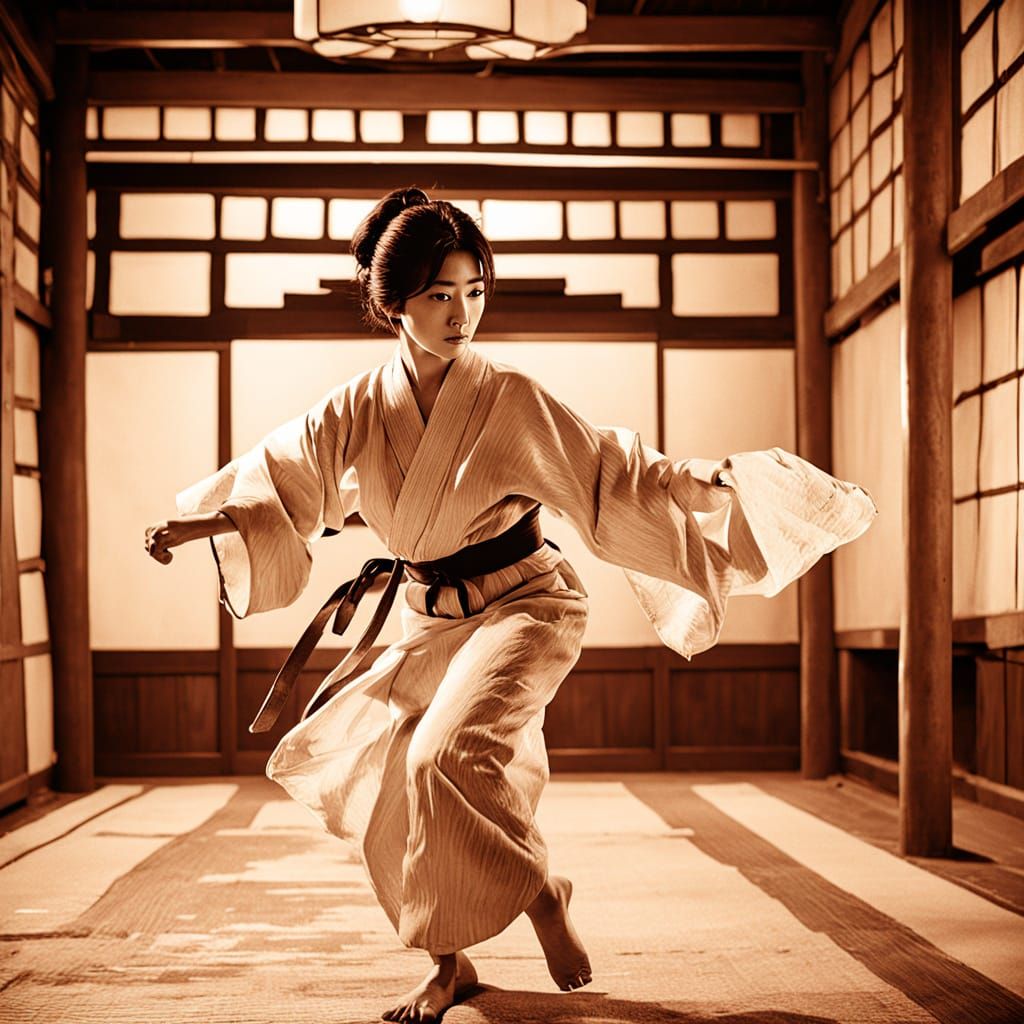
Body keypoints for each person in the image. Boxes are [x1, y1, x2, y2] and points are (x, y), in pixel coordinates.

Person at [144, 186, 878, 1023]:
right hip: (429, 615)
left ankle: (539, 892)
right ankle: (448, 965)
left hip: (525, 603)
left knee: (441, 757)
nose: (462, 313)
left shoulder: (510, 397)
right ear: (394, 305)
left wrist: (696, 481)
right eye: (439, 296)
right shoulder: (354, 408)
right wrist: (201, 521)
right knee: (400, 784)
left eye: (474, 291)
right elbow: (282, 481)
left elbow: (610, 469)